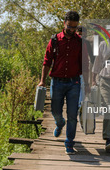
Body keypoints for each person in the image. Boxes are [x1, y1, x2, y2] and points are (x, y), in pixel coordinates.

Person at [38, 11, 90, 155]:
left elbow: (84, 64)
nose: (72, 30)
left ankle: (69, 143)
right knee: (55, 111)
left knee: (72, 114)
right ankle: (60, 123)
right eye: (69, 27)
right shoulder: (54, 40)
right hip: (57, 82)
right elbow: (47, 61)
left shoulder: (80, 42)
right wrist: (42, 81)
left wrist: (88, 85)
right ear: (64, 23)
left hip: (74, 83)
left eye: (74, 27)